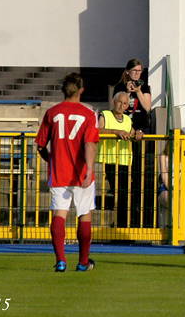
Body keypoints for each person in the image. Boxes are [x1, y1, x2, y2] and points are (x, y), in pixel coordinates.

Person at [35, 72, 99, 272]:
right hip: (81, 174)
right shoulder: (89, 114)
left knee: (59, 215)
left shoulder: (52, 113)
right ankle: (83, 262)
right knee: (84, 215)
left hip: (59, 171)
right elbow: (89, 144)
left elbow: (39, 145)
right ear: (81, 90)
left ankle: (61, 260)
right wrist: (89, 169)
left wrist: (50, 159)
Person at [113, 59, 154, 227]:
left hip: (139, 133)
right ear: (128, 71)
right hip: (124, 135)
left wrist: (137, 92)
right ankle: (122, 220)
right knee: (121, 180)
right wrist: (127, 94)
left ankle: (138, 220)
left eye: (140, 71)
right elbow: (117, 108)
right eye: (134, 71)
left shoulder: (145, 88)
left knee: (138, 179)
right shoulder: (119, 88)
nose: (137, 74)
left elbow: (147, 107)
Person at [97, 91, 142, 228]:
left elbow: (133, 132)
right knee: (119, 195)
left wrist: (138, 133)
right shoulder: (104, 115)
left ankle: (122, 227)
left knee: (125, 196)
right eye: (119, 102)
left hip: (125, 162)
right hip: (109, 161)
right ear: (113, 102)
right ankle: (118, 227)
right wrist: (116, 132)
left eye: (125, 103)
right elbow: (98, 131)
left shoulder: (128, 119)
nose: (122, 105)